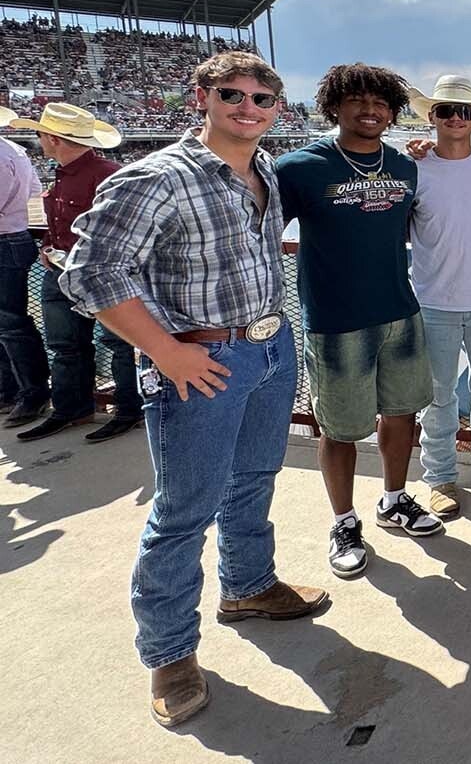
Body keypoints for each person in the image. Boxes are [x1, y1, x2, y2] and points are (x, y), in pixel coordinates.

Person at [58, 51, 327, 728]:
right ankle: (170, 653)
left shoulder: (264, 169)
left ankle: (248, 585)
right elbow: (91, 273)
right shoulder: (159, 176)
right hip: (202, 359)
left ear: (277, 109)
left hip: (268, 347)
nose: (248, 107)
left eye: (262, 98)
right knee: (183, 513)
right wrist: (165, 350)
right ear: (201, 96)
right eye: (232, 94)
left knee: (254, 479)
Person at [277, 63, 439, 580]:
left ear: (393, 112)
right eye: (358, 100)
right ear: (334, 106)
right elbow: (259, 236)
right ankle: (344, 522)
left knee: (402, 413)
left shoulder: (405, 166)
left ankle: (394, 499)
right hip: (335, 321)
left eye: (381, 103)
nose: (370, 110)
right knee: (340, 428)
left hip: (399, 310)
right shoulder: (298, 167)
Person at [404, 75, 471, 518]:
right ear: (432, 116)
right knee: (438, 395)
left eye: (465, 111)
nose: (456, 118)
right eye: (446, 110)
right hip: (432, 301)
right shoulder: (412, 168)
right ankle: (440, 476)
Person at [8, 103, 142, 442]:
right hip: (62, 270)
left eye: (40, 134)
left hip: (100, 274)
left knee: (115, 343)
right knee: (67, 343)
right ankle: (74, 408)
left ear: (53, 139)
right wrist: (48, 244)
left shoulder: (109, 175)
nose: (38, 140)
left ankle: (126, 409)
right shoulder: (79, 172)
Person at [0, 106, 49, 428]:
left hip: (5, 240)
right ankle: (18, 390)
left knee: (10, 324)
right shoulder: (15, 151)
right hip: (14, 235)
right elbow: (31, 190)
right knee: (9, 323)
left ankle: (29, 392)